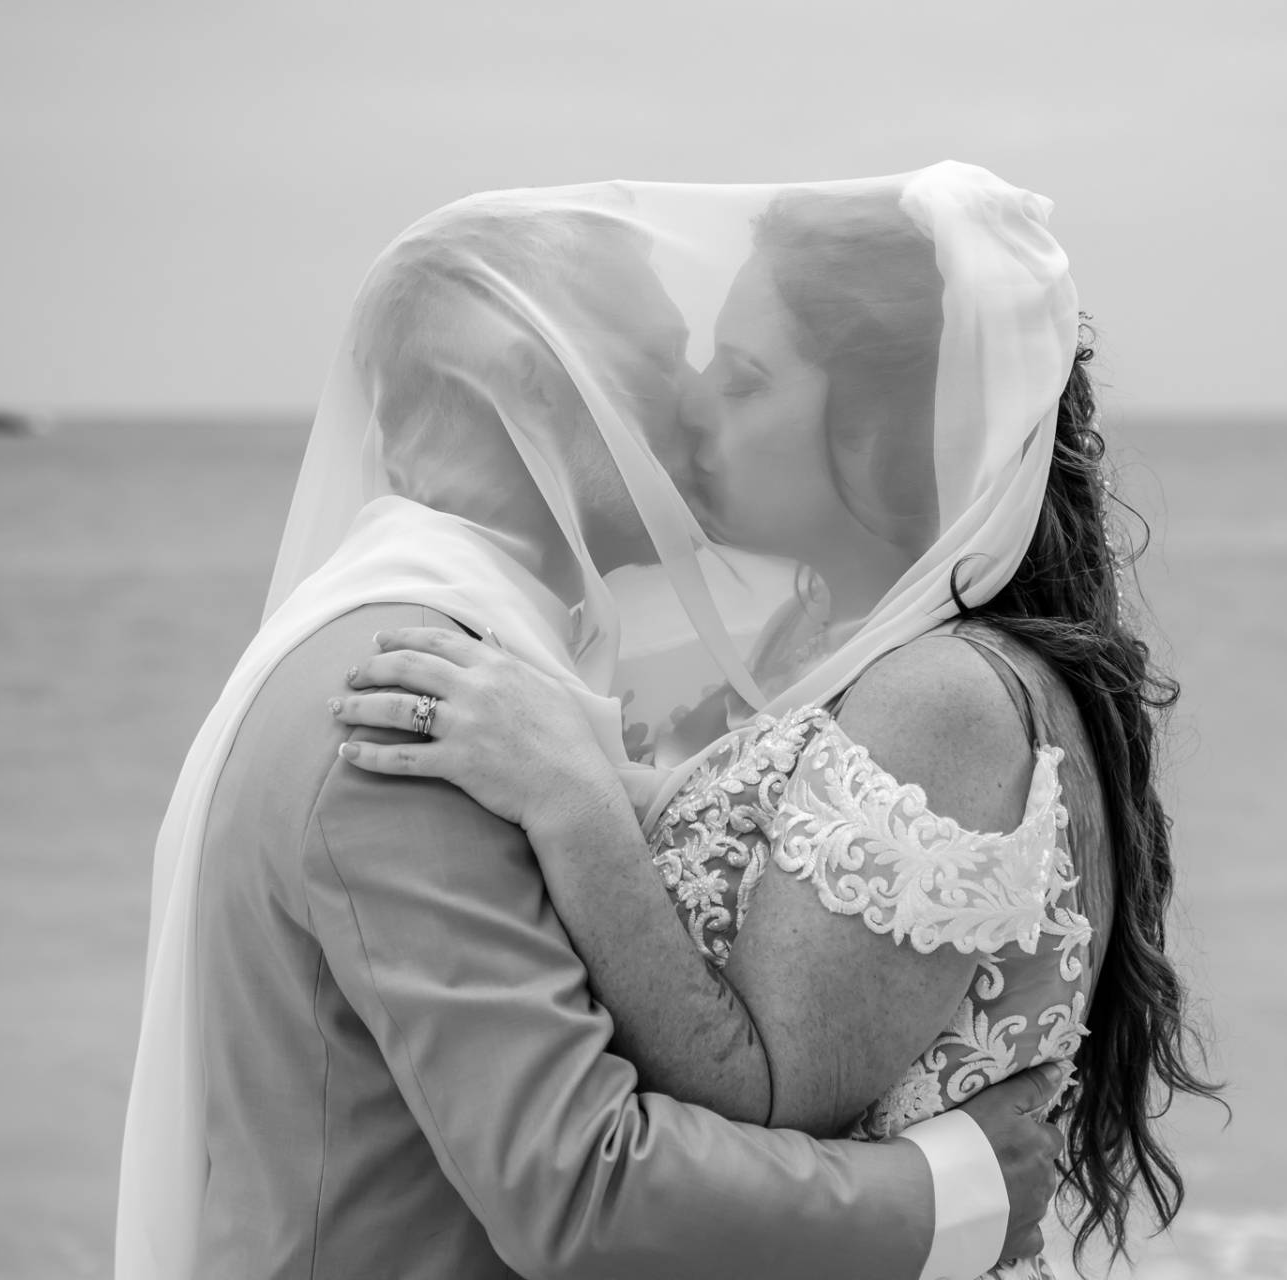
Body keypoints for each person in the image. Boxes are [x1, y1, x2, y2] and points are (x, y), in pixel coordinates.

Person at [116, 185, 1071, 1280]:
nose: (693, 407)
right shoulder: (410, 704)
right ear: (541, 383)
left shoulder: (458, 673)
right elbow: (579, 1187)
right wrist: (954, 1192)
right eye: (669, 359)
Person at [331, 166, 1221, 1277]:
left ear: (889, 428)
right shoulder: (823, 651)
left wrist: (571, 798)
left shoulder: (944, 696)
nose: (691, 403)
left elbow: (773, 1092)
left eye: (744, 378)